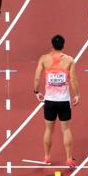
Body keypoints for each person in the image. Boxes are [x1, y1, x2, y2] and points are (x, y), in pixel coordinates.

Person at [34, 35, 80, 167]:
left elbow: (37, 77)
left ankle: (47, 157)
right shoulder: (69, 60)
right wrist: (77, 94)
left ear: (52, 45)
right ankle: (69, 158)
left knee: (48, 130)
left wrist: (36, 92)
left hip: (49, 101)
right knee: (66, 130)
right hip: (64, 101)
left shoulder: (44, 59)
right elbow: (73, 79)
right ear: (63, 45)